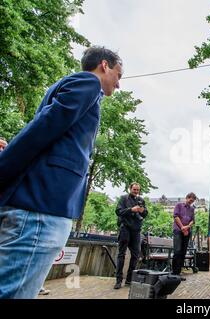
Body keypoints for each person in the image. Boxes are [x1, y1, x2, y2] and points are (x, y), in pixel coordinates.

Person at [0, 47, 122, 299]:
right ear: (104, 65)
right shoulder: (88, 82)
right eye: (119, 75)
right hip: (42, 208)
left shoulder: (71, 87)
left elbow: (44, 132)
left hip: (36, 205)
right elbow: (41, 128)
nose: (118, 84)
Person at [114, 182, 148, 289]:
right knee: (121, 254)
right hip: (125, 229)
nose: (136, 191)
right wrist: (131, 210)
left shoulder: (141, 200)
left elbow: (145, 213)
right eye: (134, 189)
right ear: (130, 189)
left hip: (136, 230)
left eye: (138, 190)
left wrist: (143, 211)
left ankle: (129, 279)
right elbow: (118, 211)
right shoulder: (123, 198)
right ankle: (118, 280)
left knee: (136, 254)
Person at [171, 192, 197, 280]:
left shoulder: (192, 209)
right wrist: (182, 227)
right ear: (186, 198)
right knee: (177, 251)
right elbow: (176, 216)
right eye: (190, 200)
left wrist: (188, 227)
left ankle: (179, 272)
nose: (191, 202)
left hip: (187, 232)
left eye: (192, 201)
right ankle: (174, 272)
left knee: (183, 252)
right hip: (178, 231)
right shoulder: (179, 205)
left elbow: (193, 220)